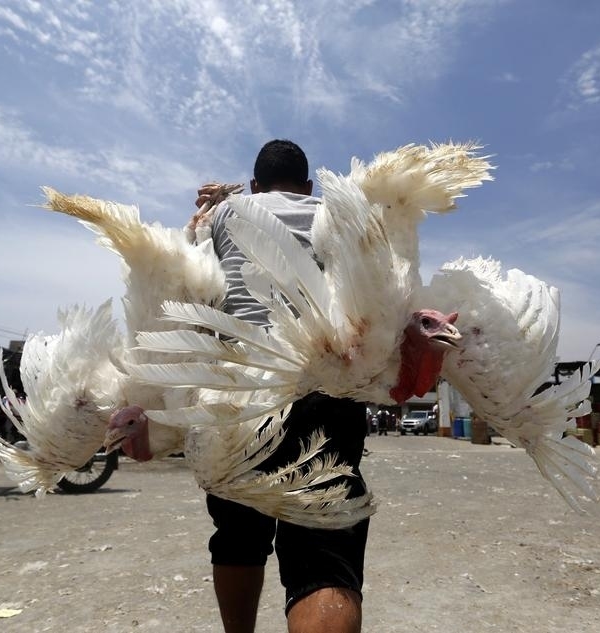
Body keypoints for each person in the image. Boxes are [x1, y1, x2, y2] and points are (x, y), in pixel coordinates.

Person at [195, 139, 370, 633]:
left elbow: (189, 264)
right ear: (310, 186)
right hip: (323, 388)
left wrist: (212, 203)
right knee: (323, 552)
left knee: (236, 536)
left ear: (254, 185)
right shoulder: (332, 215)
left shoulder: (231, 213)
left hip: (240, 392)